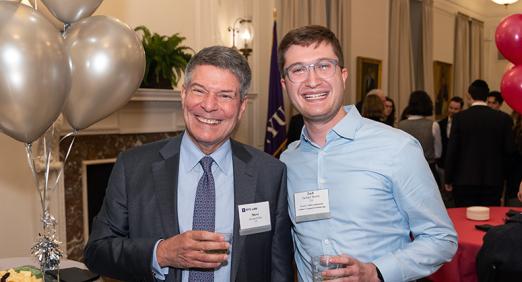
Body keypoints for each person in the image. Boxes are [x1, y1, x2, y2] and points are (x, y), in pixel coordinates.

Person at [84, 46, 294, 282]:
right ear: (183, 95)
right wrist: (161, 253)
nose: (209, 105)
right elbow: (97, 252)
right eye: (199, 91)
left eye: (225, 95)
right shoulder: (132, 167)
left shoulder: (270, 173)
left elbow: (280, 270)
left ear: (242, 106)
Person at [278, 25, 457, 282]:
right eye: (298, 70)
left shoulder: (397, 148)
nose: (312, 80)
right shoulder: (287, 161)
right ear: (285, 85)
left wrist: (377, 272)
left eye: (323, 66)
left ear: (343, 75)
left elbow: (441, 238)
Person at [444, 80, 514, 207]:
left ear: (469, 95)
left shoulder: (460, 118)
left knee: (464, 220)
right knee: (491, 221)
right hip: (493, 180)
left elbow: (452, 150)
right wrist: (506, 179)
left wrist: (448, 178)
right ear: (486, 96)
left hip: (464, 180)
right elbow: (509, 151)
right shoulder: (503, 119)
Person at [398, 90, 442, 185]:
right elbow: (438, 153)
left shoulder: (400, 125)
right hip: (428, 169)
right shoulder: (433, 125)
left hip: (406, 170)